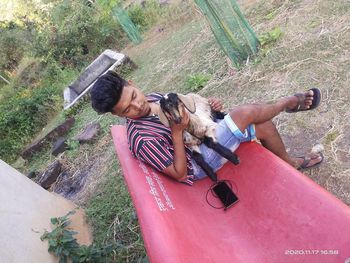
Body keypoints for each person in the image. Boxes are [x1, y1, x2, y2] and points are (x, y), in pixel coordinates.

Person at [90, 71, 323, 185]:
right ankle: (290, 103)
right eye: (126, 109)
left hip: (201, 137)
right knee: (245, 114)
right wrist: (176, 132)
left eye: (133, 96)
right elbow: (180, 174)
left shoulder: (152, 98)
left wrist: (208, 109)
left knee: (263, 125)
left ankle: (291, 164)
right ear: (117, 114)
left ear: (132, 83)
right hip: (198, 161)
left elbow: (188, 114)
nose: (137, 105)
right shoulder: (141, 140)